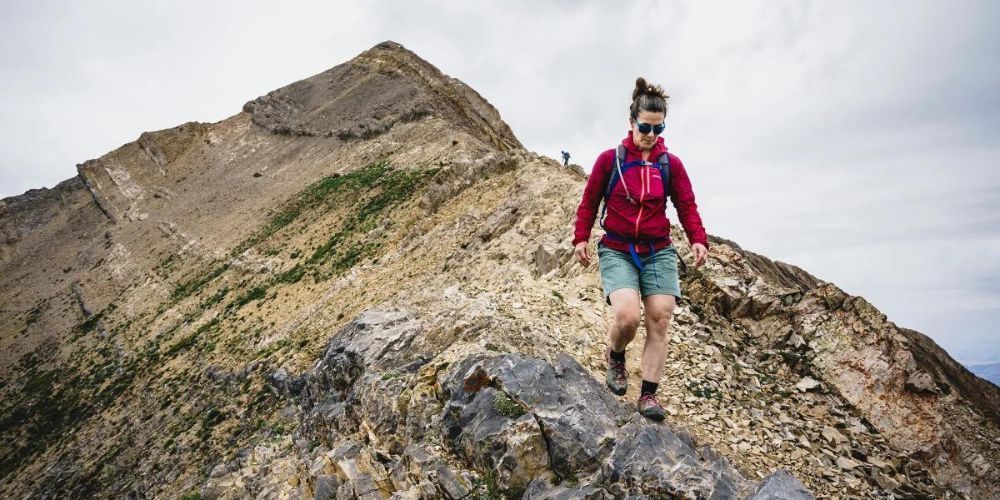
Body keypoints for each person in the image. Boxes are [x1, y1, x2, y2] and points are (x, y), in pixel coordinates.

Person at [572, 77, 709, 421]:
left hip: (657, 250)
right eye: (645, 126)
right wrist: (580, 237)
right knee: (628, 316)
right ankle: (616, 354)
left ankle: (648, 395)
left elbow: (686, 204)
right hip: (617, 248)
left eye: (658, 127)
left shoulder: (670, 164)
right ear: (631, 122)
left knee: (660, 317)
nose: (651, 133)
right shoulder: (610, 160)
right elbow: (589, 203)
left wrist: (697, 238)